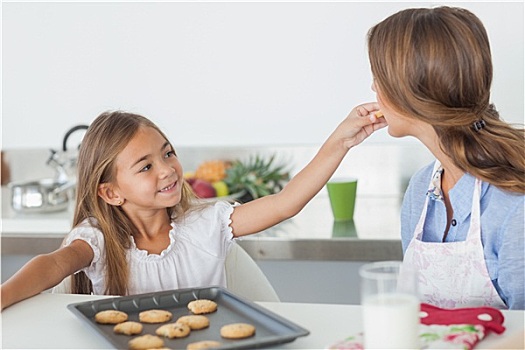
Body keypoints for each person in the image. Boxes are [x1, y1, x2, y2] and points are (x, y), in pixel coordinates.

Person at [1, 107, 386, 310]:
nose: (168, 169)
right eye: (146, 166)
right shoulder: (100, 242)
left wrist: (341, 141)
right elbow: (52, 265)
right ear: (111, 192)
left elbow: (285, 204)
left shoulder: (206, 224)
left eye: (168, 153)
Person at [366, 6, 524, 309]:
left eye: (379, 76)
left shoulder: (515, 206)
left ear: (411, 88)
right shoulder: (421, 189)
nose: (373, 86)